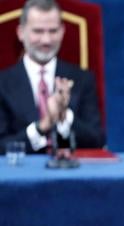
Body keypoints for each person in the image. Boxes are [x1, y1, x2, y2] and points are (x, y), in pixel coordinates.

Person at [0, 0, 105, 153]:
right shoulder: (3, 83)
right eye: (38, 31)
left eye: (53, 31)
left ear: (62, 31)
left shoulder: (82, 79)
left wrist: (64, 116)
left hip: (71, 172)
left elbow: (97, 140)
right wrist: (42, 126)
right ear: (21, 33)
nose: (46, 40)